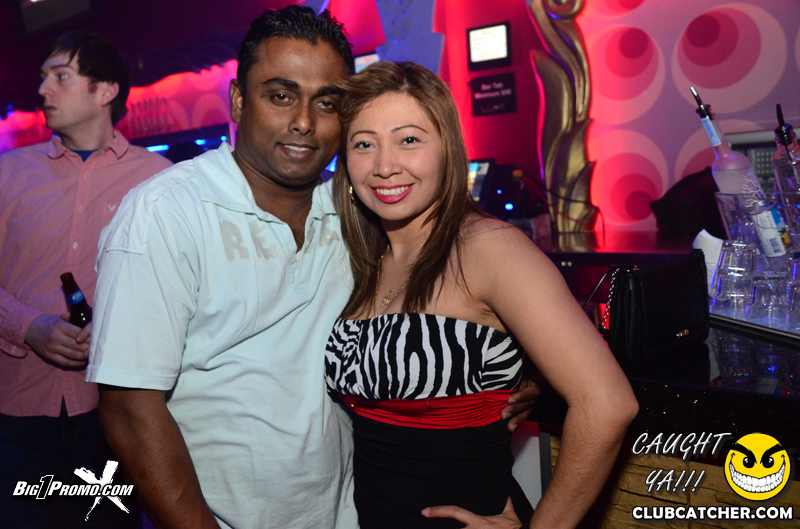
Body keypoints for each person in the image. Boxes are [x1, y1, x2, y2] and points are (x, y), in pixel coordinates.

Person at [86, 7, 536, 529]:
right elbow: (128, 410)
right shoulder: (167, 213)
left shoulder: (355, 213)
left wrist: (528, 369)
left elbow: (460, 300)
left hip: (352, 515)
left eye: (326, 103)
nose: (303, 121)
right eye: (280, 96)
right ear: (238, 99)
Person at [325, 61, 639, 529]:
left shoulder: (488, 248)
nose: (384, 166)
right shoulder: (365, 257)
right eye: (364, 144)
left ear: (447, 150)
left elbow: (608, 403)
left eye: (408, 140)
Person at [0, 31, 173, 528]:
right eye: (43, 77)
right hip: (16, 410)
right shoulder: (9, 173)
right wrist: (27, 326)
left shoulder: (160, 181)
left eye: (61, 77)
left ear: (105, 90)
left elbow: (179, 291)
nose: (43, 90)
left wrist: (123, 329)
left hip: (115, 412)